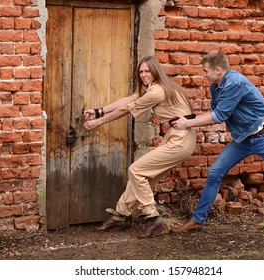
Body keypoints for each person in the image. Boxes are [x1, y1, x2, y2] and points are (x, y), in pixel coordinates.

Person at [170, 51, 264, 244]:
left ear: (218, 69)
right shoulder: (216, 86)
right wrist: (188, 119)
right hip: (243, 139)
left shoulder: (234, 82)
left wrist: (187, 125)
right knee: (214, 173)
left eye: (205, 71)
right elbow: (215, 112)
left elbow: (219, 117)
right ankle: (197, 221)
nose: (203, 75)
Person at [83, 56, 196, 238]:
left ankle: (152, 218)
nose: (143, 75)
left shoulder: (157, 91)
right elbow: (128, 100)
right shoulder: (157, 87)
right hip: (179, 137)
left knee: (136, 170)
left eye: (147, 71)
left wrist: (98, 123)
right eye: (141, 72)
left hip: (179, 139)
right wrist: (99, 111)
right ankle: (118, 216)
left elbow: (125, 110)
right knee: (144, 179)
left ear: (155, 71)